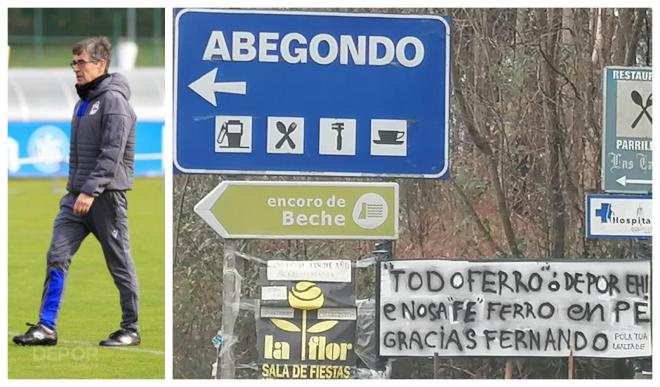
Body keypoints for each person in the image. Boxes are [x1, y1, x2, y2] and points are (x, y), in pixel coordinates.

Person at [13, 36, 140, 347]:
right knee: (56, 255)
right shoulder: (83, 102)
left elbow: (112, 153)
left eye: (81, 62)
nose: (76, 68)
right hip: (75, 199)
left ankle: (131, 328)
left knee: (119, 262)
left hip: (106, 198)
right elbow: (78, 156)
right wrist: (74, 192)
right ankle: (46, 326)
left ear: (100, 64)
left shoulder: (114, 102)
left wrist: (91, 191)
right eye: (74, 62)